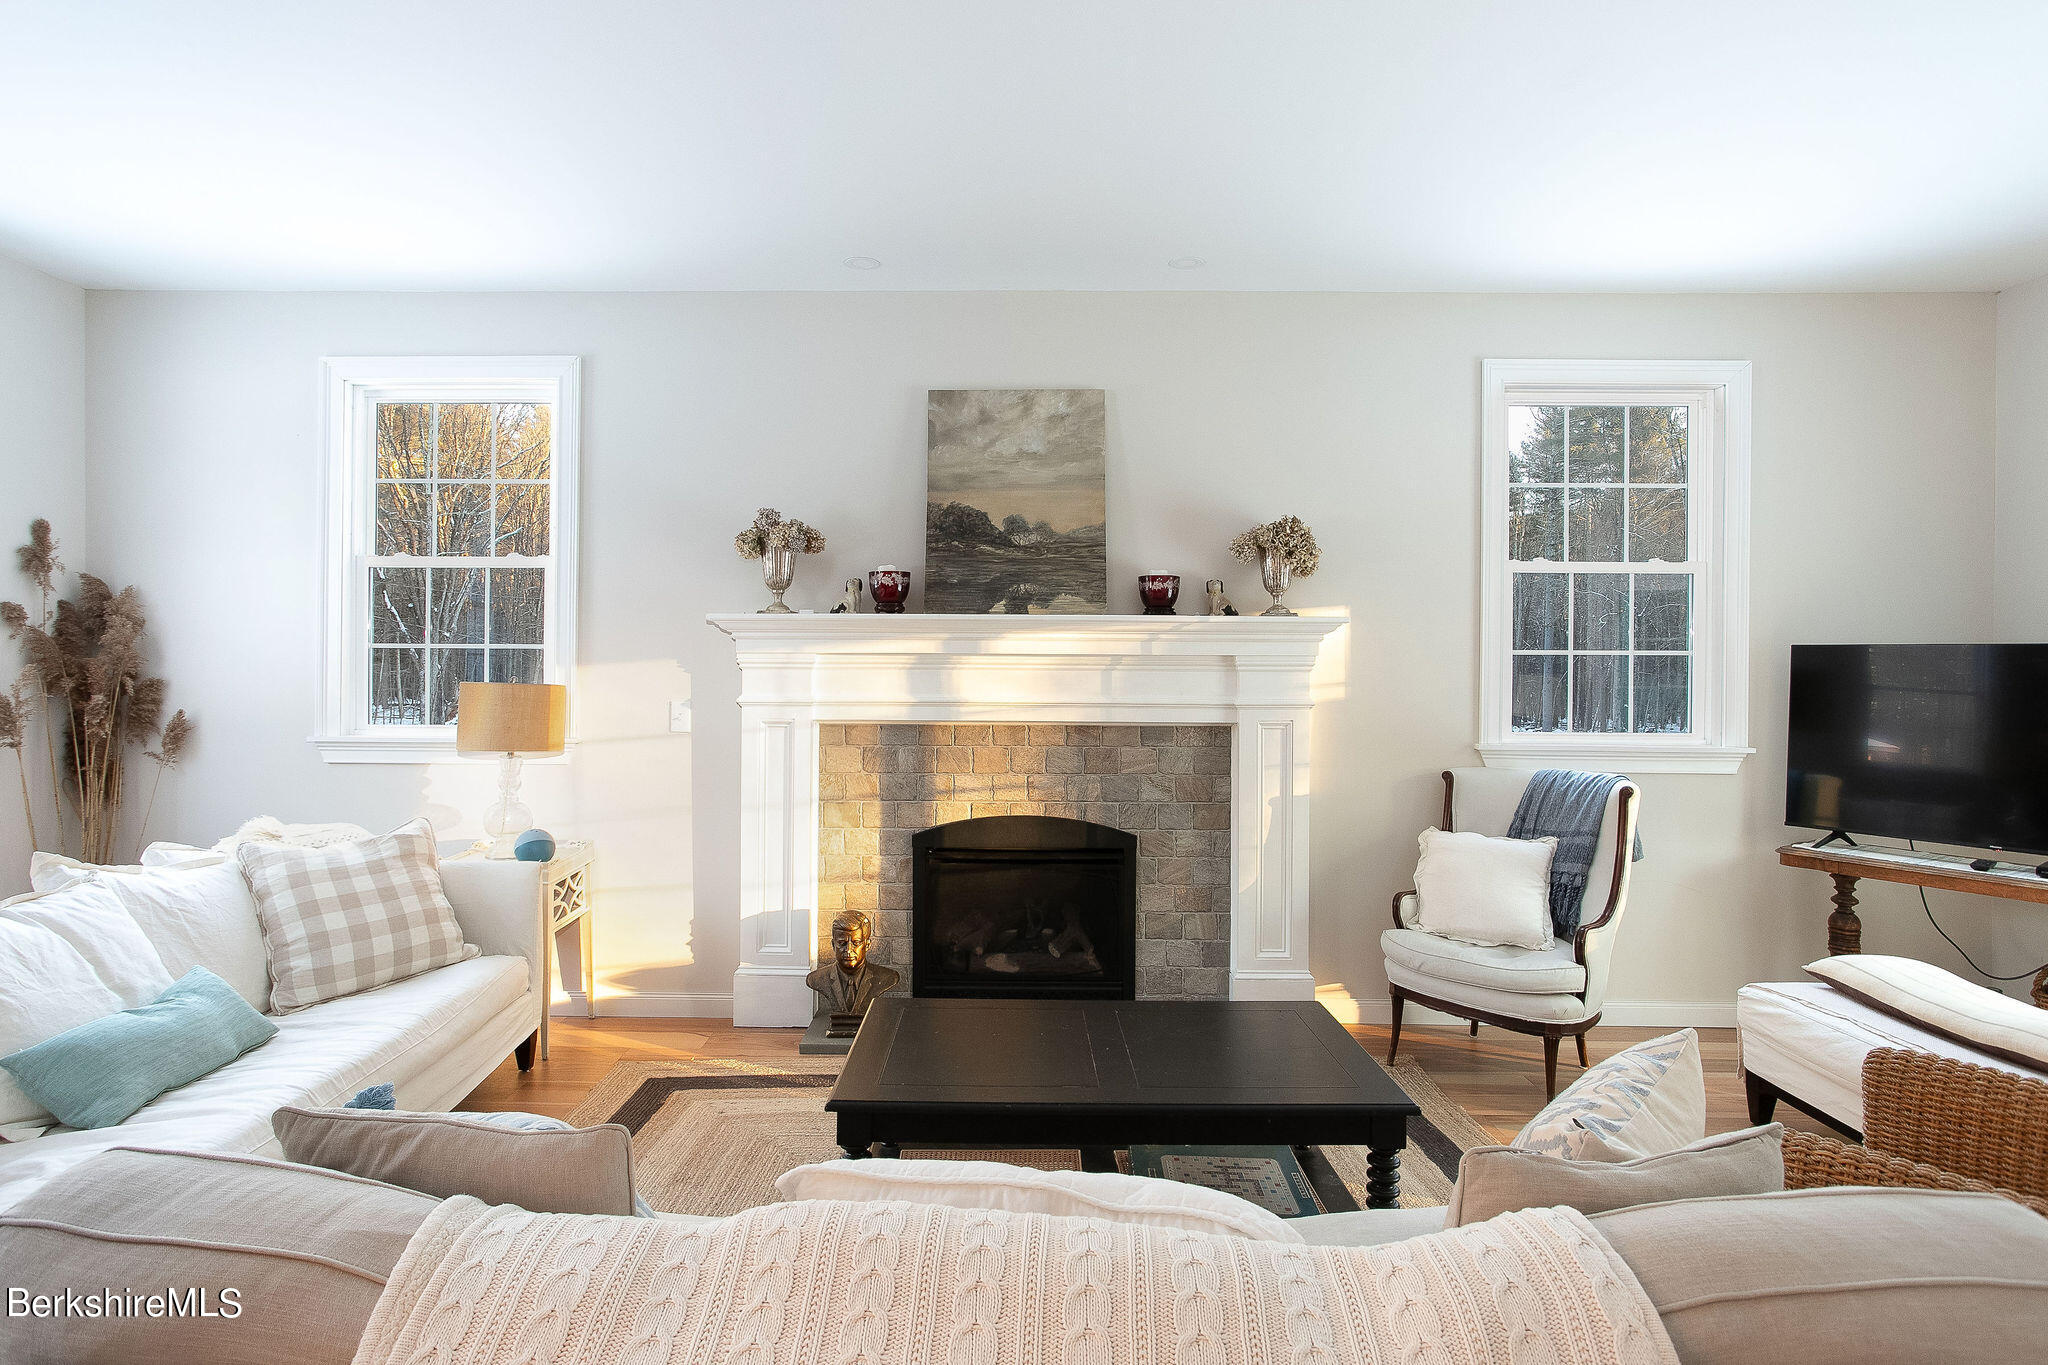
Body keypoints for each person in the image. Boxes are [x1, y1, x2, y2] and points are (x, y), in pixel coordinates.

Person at [805, 909, 901, 1035]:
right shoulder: (816, 979)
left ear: (867, 945)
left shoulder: (887, 977)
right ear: (833, 945)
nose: (849, 950)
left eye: (856, 943)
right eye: (842, 943)